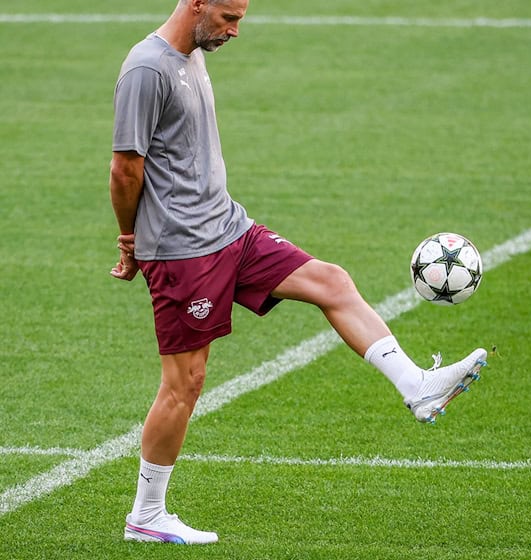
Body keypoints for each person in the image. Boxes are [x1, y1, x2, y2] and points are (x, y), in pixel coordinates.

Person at [109, 0, 487, 545]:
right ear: (196, 3)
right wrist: (130, 240)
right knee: (184, 384)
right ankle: (147, 513)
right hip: (183, 251)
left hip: (229, 229)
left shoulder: (192, 54)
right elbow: (125, 167)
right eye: (228, 18)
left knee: (330, 281)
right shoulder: (147, 69)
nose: (236, 30)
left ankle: (417, 387)